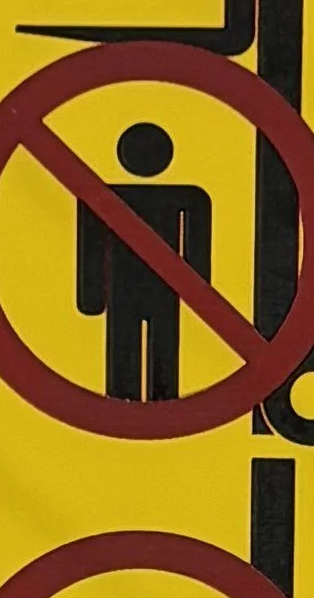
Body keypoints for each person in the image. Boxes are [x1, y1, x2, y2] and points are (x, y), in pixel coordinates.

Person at [75, 122, 212, 401]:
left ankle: (148, 407)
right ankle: (135, 408)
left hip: (143, 290)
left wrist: (91, 299)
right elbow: (91, 248)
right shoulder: (187, 198)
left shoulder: (186, 198)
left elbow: (197, 246)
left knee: (154, 356)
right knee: (133, 356)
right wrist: (201, 299)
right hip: (139, 290)